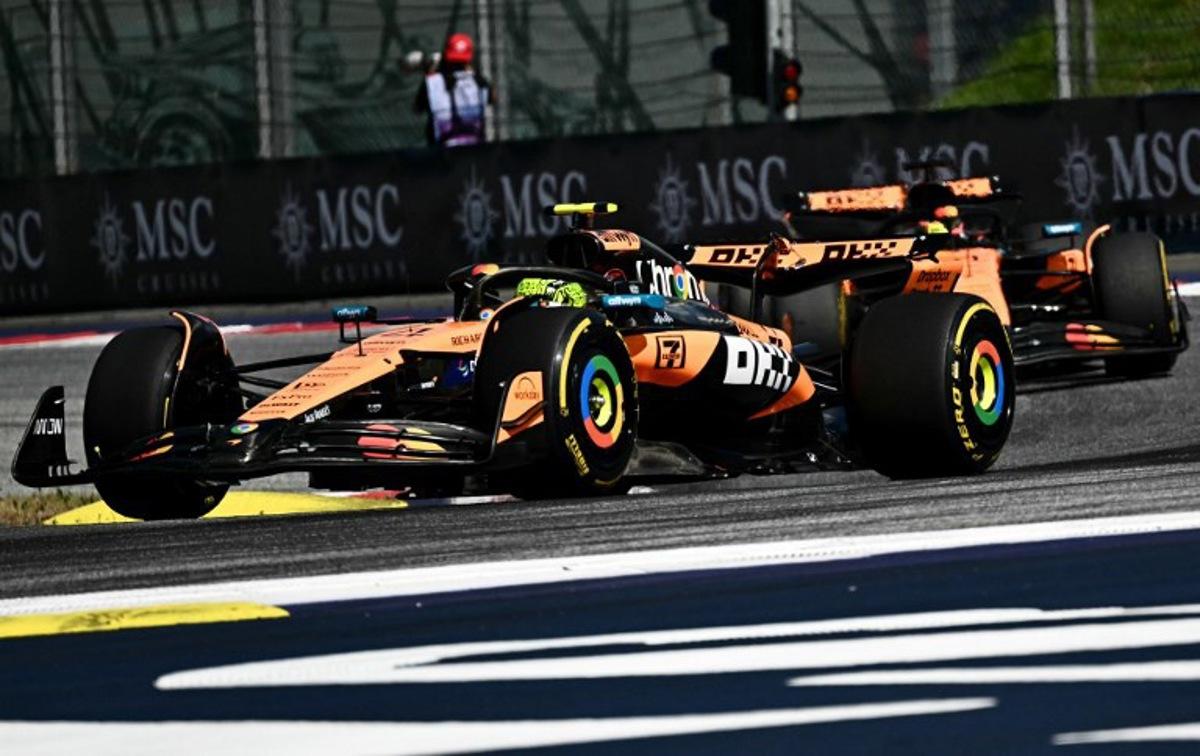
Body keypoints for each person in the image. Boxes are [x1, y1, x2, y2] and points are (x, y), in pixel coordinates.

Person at [413, 33, 494, 148]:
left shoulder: (431, 81)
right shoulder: (479, 81)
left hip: (442, 150)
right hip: (476, 147)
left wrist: (432, 71)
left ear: (446, 56)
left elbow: (417, 108)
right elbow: (492, 98)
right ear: (469, 59)